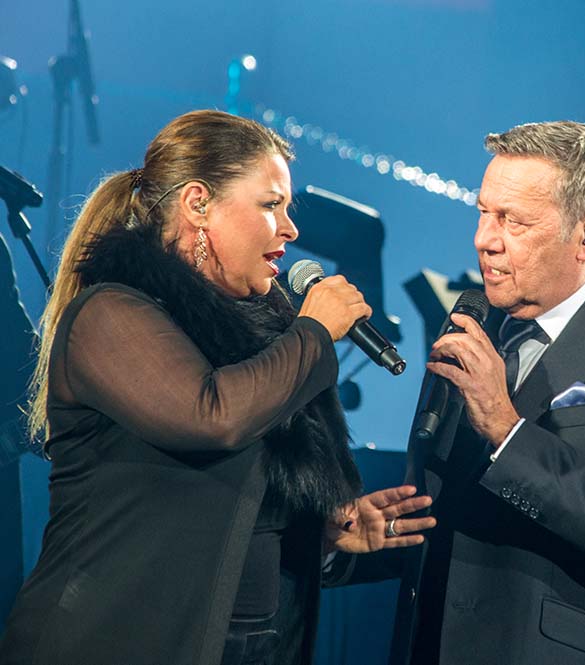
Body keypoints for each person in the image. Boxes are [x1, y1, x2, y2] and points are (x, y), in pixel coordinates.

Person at [0, 110, 434, 665]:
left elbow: (228, 513)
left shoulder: (261, 340)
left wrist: (323, 538)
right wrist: (315, 331)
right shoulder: (111, 314)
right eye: (271, 204)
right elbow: (214, 416)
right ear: (198, 203)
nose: (291, 229)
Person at [329, 121, 585, 665]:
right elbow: (442, 516)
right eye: (483, 212)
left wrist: (505, 428)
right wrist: (354, 546)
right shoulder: (474, 320)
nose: (484, 239)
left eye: (512, 221)